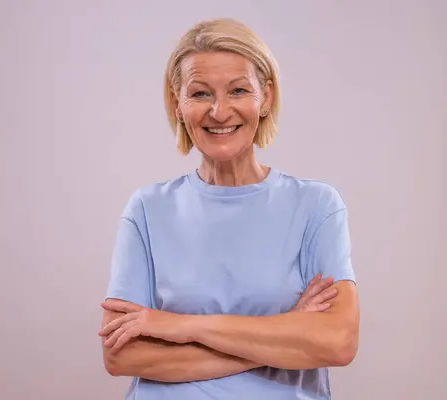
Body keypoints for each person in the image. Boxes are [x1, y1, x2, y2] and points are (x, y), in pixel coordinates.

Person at [98, 17, 359, 400]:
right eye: (201, 94)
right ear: (178, 104)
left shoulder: (316, 206)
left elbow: (337, 342)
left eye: (238, 90)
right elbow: (122, 355)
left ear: (266, 98)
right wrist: (284, 333)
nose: (219, 112)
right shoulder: (147, 210)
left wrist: (180, 326)